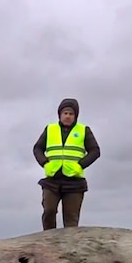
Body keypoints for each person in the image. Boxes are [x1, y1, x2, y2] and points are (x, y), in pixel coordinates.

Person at [32, 98, 100, 230]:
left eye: (71, 114)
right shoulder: (50, 129)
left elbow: (95, 151)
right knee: (49, 211)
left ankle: (69, 248)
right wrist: (45, 163)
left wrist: (80, 165)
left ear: (75, 116)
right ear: (60, 115)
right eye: (65, 113)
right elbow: (37, 148)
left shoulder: (83, 130)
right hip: (52, 179)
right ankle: (48, 240)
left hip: (74, 181)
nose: (68, 116)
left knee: (71, 220)